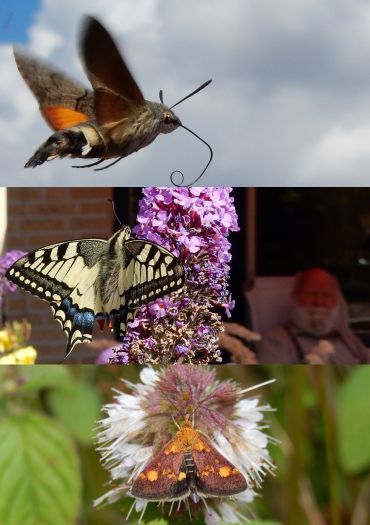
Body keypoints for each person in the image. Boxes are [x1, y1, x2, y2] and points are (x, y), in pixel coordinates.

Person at [256, 268, 370, 364]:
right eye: (311, 294)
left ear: (336, 301)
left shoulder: (349, 340)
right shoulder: (276, 341)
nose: (319, 301)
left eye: (326, 295)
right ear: (295, 297)